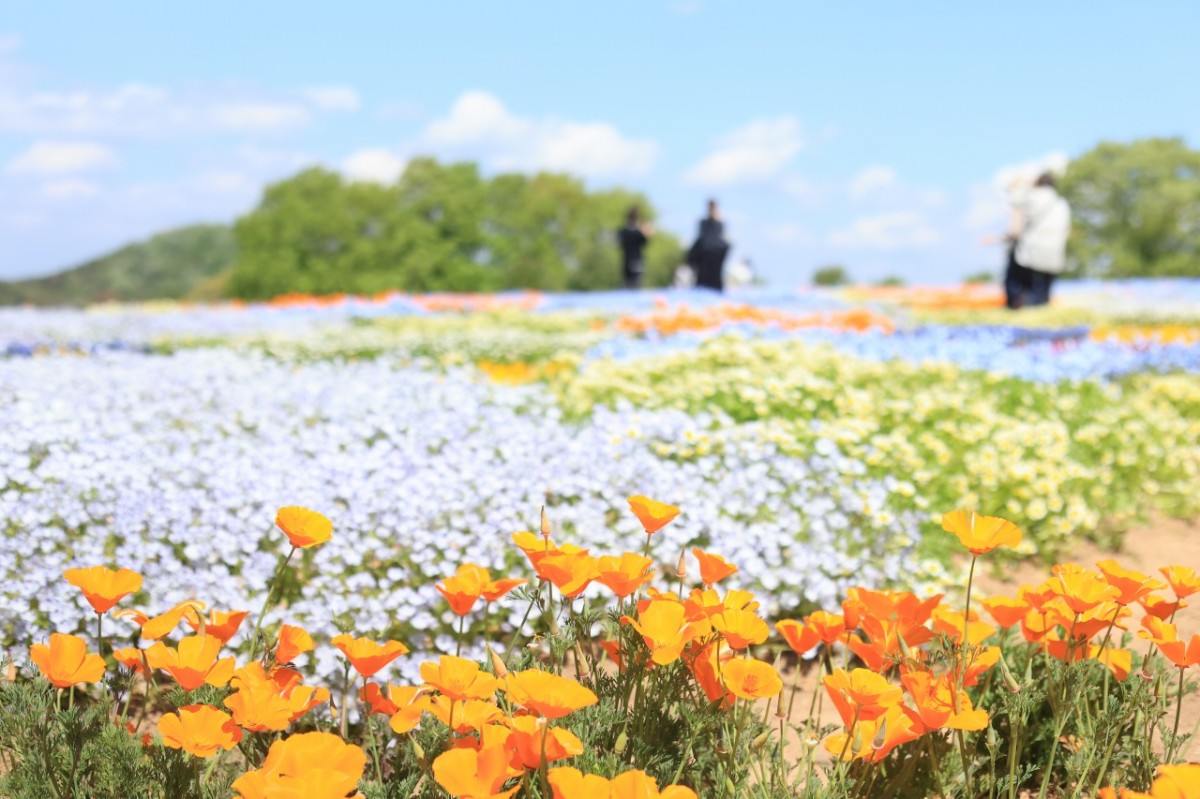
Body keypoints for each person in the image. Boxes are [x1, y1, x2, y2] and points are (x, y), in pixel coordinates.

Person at [990, 173, 1071, 308]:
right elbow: (1066, 231)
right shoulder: (1062, 203)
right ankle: (1041, 312)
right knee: (1043, 295)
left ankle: (1017, 308)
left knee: (1020, 288)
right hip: (1054, 255)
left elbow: (1016, 230)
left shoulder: (1028, 199)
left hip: (1030, 253)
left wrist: (998, 239)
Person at [688, 199, 731, 292]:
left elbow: (722, 238)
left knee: (715, 278)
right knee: (703, 280)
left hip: (715, 253)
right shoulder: (703, 223)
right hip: (705, 253)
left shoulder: (719, 224)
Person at [617, 206, 653, 289]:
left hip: (626, 262)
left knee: (626, 285)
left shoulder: (622, 232)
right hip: (637, 261)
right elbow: (646, 241)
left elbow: (619, 244)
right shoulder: (638, 233)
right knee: (636, 286)